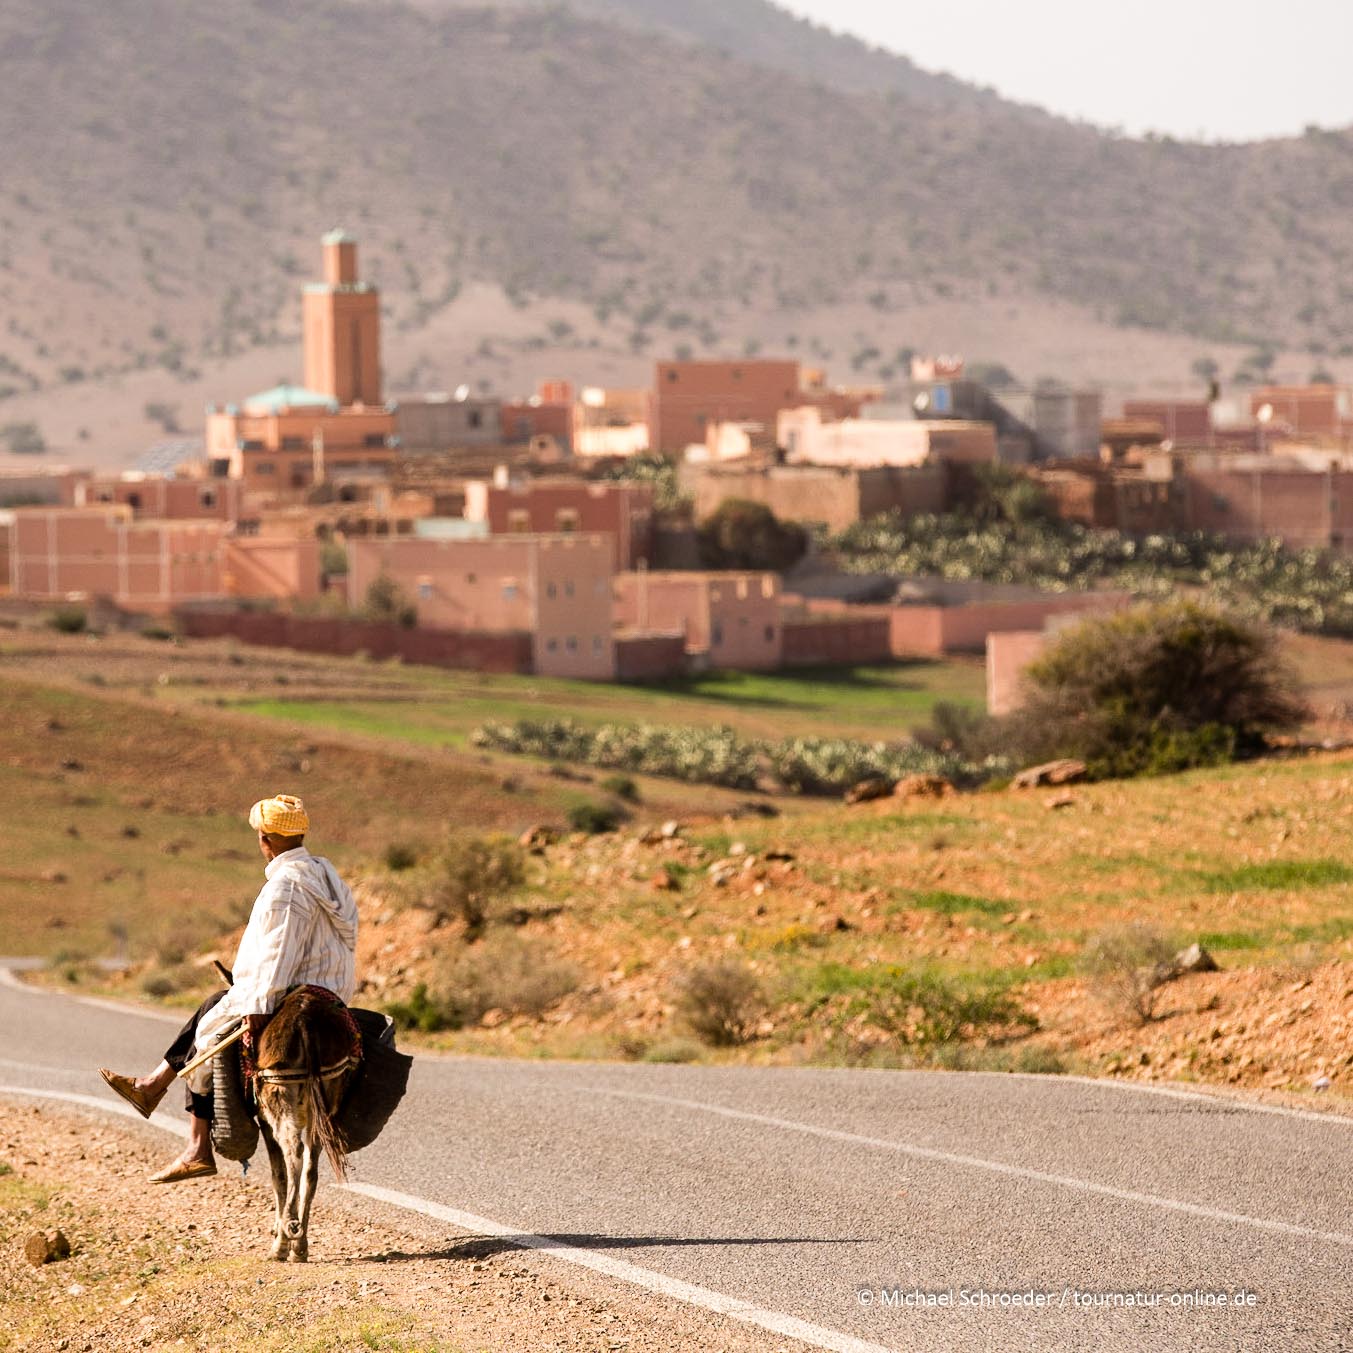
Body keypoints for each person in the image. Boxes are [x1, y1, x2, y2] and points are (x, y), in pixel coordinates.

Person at [99, 794, 359, 1183]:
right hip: (332, 991)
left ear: (266, 839)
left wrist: (257, 1003)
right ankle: (153, 1087)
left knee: (209, 1037)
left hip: (290, 990)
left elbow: (278, 951)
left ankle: (194, 1143)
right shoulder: (327, 878)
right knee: (215, 1006)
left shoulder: (286, 887)